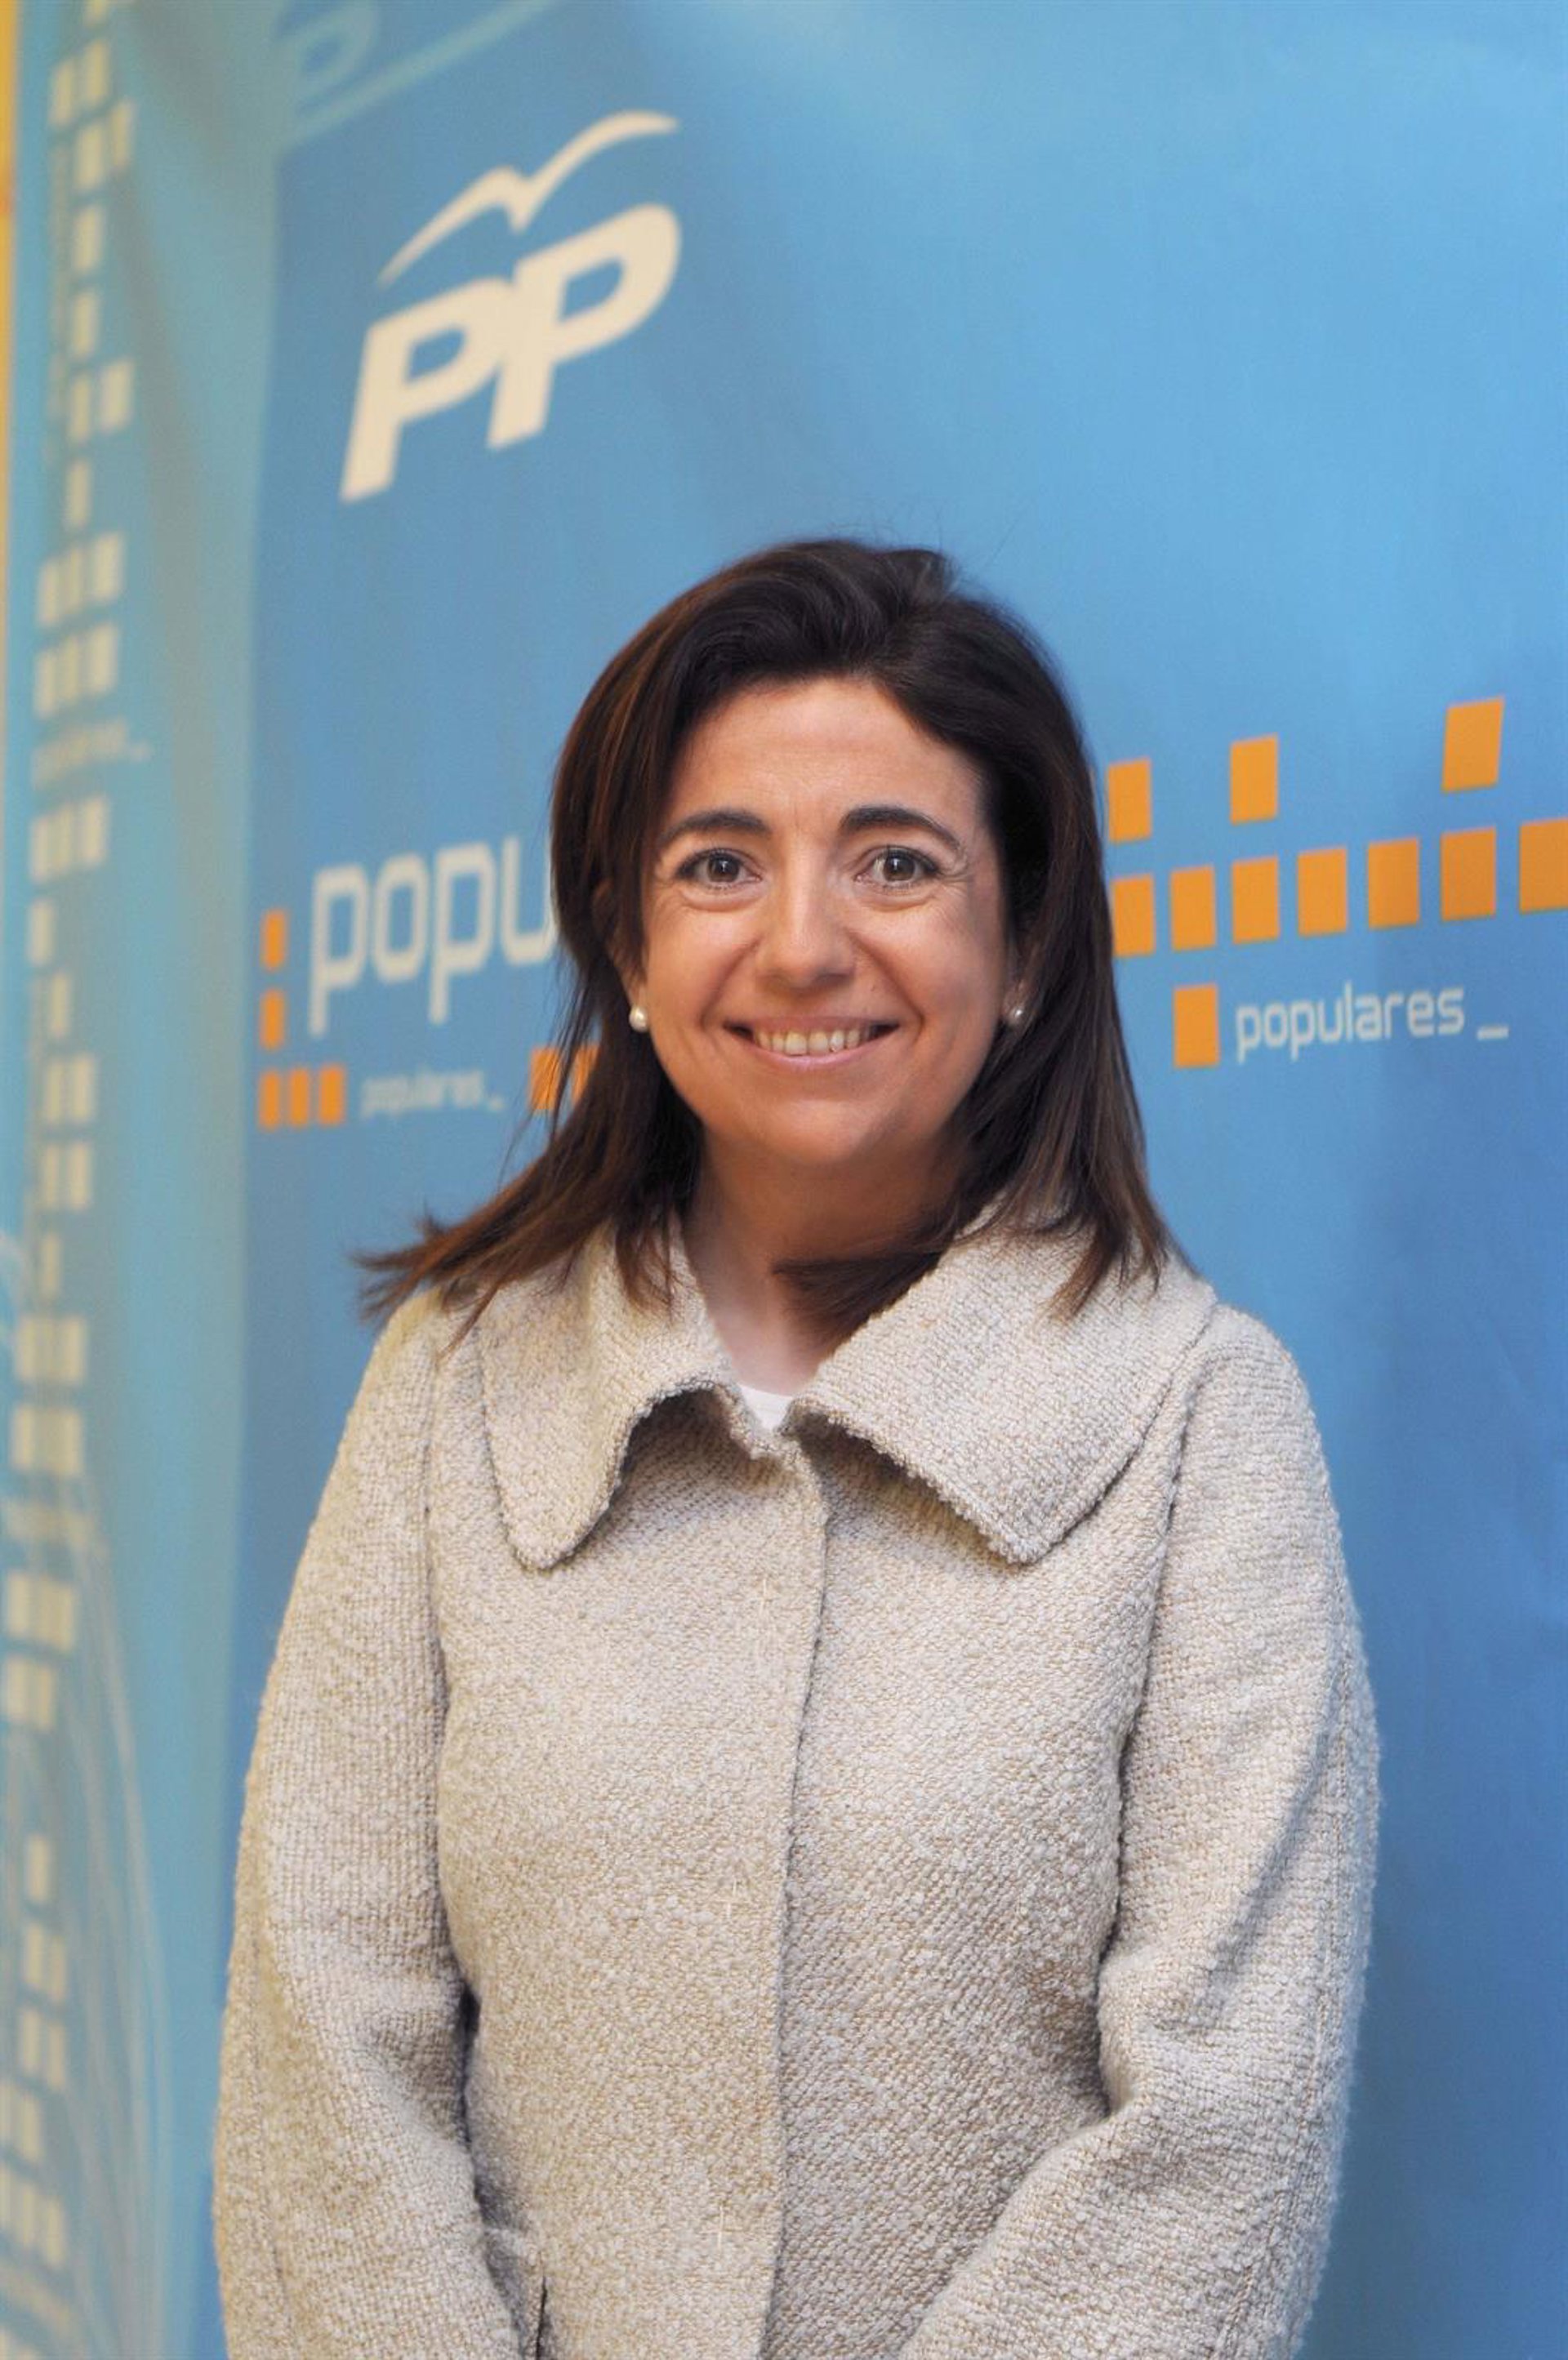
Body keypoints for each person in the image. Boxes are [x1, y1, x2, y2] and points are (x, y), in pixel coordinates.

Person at [212, 537, 1381, 2359]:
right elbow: (322, 2045)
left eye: (897, 862)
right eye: (719, 864)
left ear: (1025, 943)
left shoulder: (1199, 1420)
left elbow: (1227, 2130)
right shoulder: (456, 1383)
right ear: (629, 943)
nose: (804, 941)